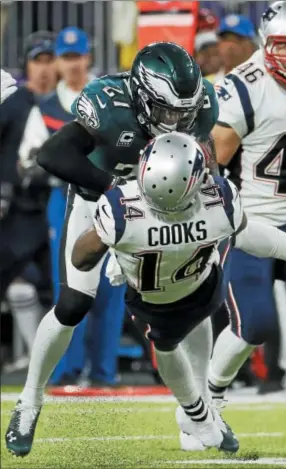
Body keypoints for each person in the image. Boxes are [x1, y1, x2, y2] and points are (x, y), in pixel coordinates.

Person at [5, 41, 219, 458]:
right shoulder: (109, 102)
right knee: (72, 304)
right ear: (140, 96)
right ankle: (29, 401)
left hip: (163, 213)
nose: (176, 122)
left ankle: (202, 412)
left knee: (190, 298)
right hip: (97, 201)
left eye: (184, 113)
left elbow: (204, 158)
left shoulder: (202, 105)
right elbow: (52, 154)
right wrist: (118, 194)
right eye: (166, 111)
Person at [71, 132, 286, 452]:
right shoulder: (219, 202)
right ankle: (200, 414)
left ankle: (198, 411)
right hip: (204, 285)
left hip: (153, 300)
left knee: (167, 347)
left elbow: (80, 260)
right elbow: (248, 234)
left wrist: (108, 241)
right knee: (190, 334)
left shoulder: (120, 211)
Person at [208, 0, 286, 406]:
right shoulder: (244, 87)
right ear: (267, 44)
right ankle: (208, 401)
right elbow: (209, 166)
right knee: (254, 323)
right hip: (250, 228)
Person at [0, 32, 57, 370]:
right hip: (17, 211)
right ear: (27, 65)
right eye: (39, 60)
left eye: (51, 60)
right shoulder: (15, 102)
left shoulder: (71, 103)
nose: (45, 69)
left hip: (59, 207)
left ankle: (49, 364)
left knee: (63, 293)